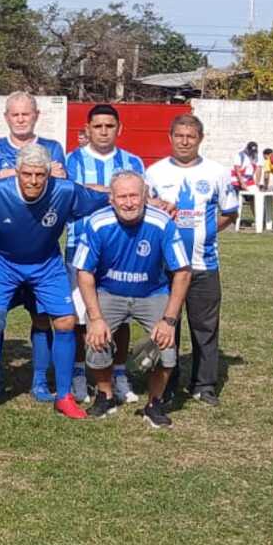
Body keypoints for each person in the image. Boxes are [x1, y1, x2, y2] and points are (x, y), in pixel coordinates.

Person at [0, 145, 107, 418]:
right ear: (17, 172)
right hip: (2, 265)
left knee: (65, 322)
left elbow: (102, 198)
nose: (33, 181)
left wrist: (146, 199)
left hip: (46, 264)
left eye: (40, 175)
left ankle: (64, 396)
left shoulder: (65, 191)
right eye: (27, 174)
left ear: (48, 174)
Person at [73, 171, 192, 428]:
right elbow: (84, 272)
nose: (129, 203)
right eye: (122, 197)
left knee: (166, 347)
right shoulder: (96, 223)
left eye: (134, 196)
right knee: (96, 340)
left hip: (152, 292)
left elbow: (183, 272)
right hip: (109, 291)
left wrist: (169, 321)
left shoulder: (162, 223)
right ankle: (105, 395)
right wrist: (96, 318)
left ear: (145, 196)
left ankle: (154, 403)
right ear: (111, 199)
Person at [145, 114, 239, 406]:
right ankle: (167, 383)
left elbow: (229, 212)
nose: (185, 141)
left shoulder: (217, 172)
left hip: (204, 265)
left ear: (201, 139)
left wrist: (207, 232)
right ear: (170, 137)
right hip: (166, 267)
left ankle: (204, 385)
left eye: (191, 136)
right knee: (167, 326)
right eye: (179, 135)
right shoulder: (154, 172)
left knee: (205, 327)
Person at [62, 103, 147, 401]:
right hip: (79, 245)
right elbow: (72, 198)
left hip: (122, 249)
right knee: (79, 316)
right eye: (97, 126)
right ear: (87, 129)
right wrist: (112, 192)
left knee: (121, 315)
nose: (103, 131)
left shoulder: (133, 161)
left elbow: (140, 200)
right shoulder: (71, 160)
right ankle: (78, 373)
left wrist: (92, 190)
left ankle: (118, 374)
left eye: (109, 126)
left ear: (119, 129)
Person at [0, 91, 67, 178]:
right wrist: (44, 170)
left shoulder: (52, 148)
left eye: (25, 114)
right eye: (15, 115)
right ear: (6, 117)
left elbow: (60, 179)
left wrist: (6, 173)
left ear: (36, 115)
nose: (20, 120)